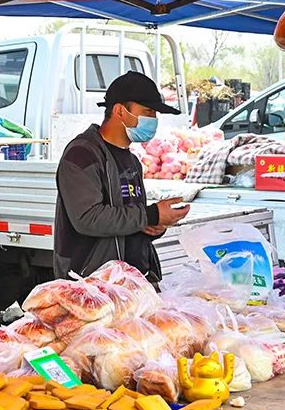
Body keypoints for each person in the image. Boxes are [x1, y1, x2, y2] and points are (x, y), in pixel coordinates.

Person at [54, 71, 191, 282]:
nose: (153, 120)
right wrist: (150, 215)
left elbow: (129, 217)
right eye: (147, 112)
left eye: (155, 114)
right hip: (94, 283)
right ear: (120, 110)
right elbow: (87, 218)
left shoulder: (132, 160)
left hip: (133, 280)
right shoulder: (82, 154)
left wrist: (152, 226)